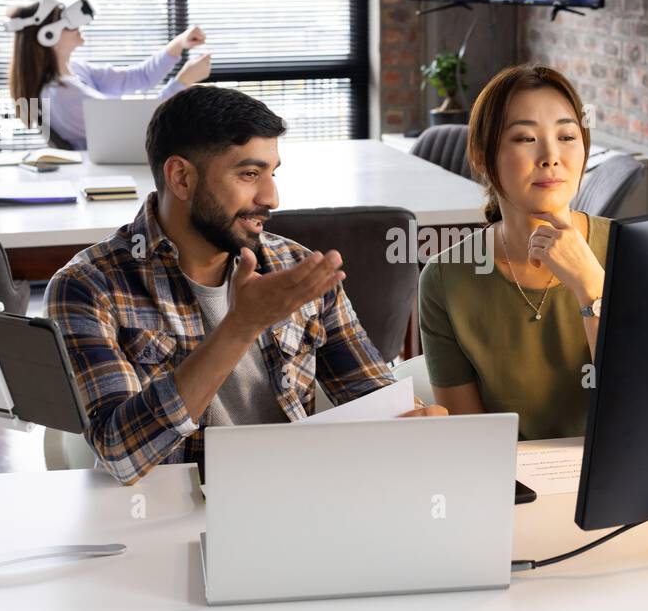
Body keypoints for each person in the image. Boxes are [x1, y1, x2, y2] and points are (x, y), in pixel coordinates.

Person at [45, 84, 444, 485]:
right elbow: (122, 455)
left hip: (291, 503)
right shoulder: (89, 287)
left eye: (272, 173)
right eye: (249, 174)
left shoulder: (296, 267)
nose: (271, 197)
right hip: (160, 516)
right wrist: (240, 326)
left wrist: (410, 420)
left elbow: (372, 397)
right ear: (181, 178)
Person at [418, 64, 610, 440]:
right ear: (479, 156)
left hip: (618, 480)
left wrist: (592, 288)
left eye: (567, 136)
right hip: (512, 487)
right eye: (525, 138)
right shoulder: (446, 279)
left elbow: (642, 410)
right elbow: (472, 440)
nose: (551, 157)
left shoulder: (633, 252)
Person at [5, 0, 212, 149]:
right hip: (107, 178)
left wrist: (178, 44)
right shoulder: (62, 94)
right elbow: (141, 125)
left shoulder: (75, 70)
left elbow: (138, 77)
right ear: (48, 36)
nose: (79, 25)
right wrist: (183, 82)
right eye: (67, 21)